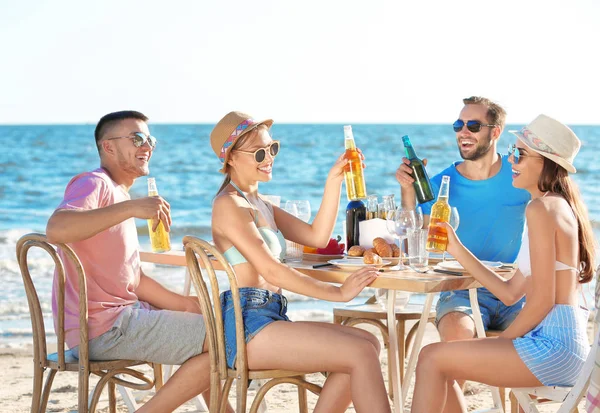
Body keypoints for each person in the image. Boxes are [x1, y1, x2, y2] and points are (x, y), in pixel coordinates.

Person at [46, 111, 231, 413]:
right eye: (136, 139)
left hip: (118, 321)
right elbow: (56, 228)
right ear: (108, 147)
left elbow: (133, 280)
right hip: (104, 329)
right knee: (227, 337)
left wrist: (185, 304)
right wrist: (131, 208)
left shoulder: (118, 193)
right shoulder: (95, 183)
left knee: (213, 325)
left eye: (150, 140)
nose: (147, 146)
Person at [411, 114, 595, 412]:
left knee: (431, 358)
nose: (511, 160)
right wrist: (456, 247)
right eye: (513, 151)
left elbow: (543, 301)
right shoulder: (555, 205)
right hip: (563, 344)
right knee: (441, 361)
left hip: (553, 346)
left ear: (546, 162)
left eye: (520, 154)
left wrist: (499, 344)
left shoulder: (541, 208)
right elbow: (510, 294)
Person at [210, 111, 391, 413]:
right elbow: (271, 270)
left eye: (272, 148)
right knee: (360, 352)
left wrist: (333, 181)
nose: (268, 157)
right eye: (258, 151)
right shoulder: (229, 204)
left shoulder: (261, 204)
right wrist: (338, 292)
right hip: (246, 326)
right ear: (231, 159)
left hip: (270, 316)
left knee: (369, 343)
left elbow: (317, 237)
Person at [397, 96, 530, 342]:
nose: (463, 132)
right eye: (459, 126)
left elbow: (554, 216)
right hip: (460, 293)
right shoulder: (438, 186)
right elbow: (409, 245)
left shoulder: (519, 179)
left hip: (514, 290)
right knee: (456, 345)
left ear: (495, 132)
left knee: (541, 346)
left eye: (474, 126)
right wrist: (407, 193)